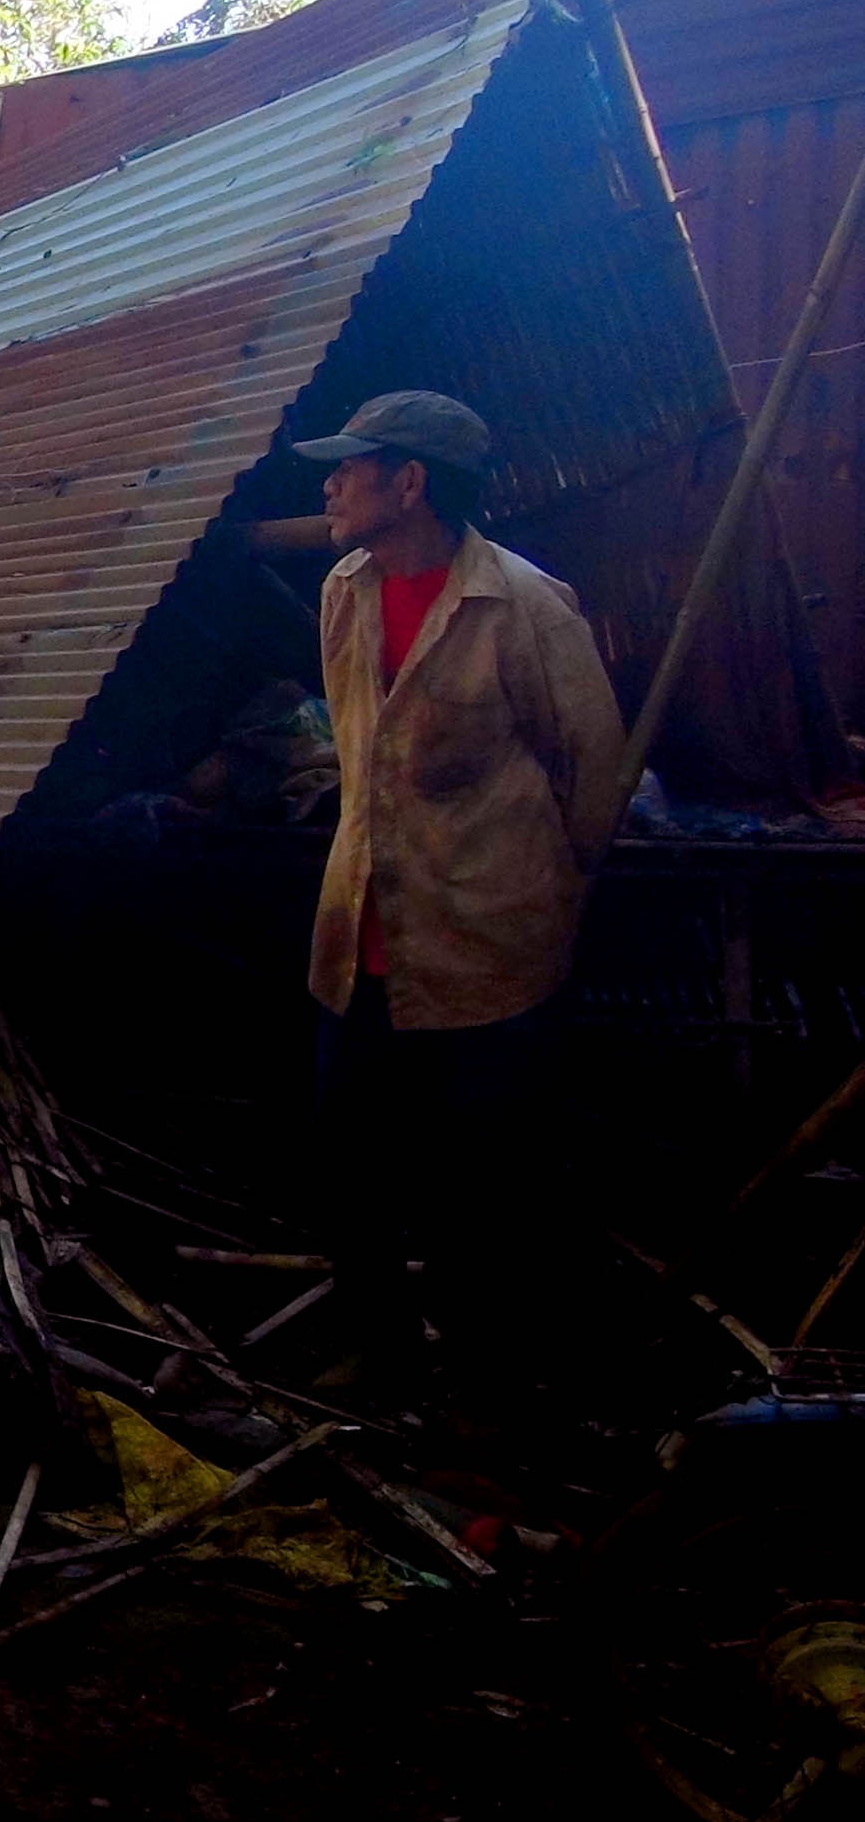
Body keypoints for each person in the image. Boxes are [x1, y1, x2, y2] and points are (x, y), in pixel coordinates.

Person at [293, 389, 627, 1386]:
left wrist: (523, 891)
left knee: (480, 1190)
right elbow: (363, 757)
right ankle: (380, 1352)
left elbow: (592, 776)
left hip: (486, 949)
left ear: (411, 482)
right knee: (352, 1167)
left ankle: (488, 1385)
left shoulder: (523, 605)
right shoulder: (344, 589)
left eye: (353, 466)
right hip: (361, 938)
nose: (332, 483)